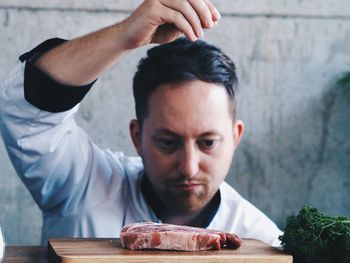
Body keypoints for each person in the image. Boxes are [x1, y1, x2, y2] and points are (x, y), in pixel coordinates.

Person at [0, 0, 283, 246]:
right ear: (138, 136)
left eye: (207, 143)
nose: (188, 166)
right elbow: (26, 113)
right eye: (168, 142)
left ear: (235, 137)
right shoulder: (83, 186)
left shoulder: (261, 239)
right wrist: (124, 36)